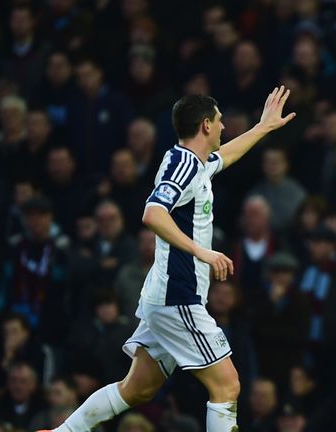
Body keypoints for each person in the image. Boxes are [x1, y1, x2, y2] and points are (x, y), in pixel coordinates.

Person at [45, 87, 295, 432]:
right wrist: (200, 250)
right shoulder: (182, 165)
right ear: (206, 125)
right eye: (220, 121)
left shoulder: (193, 162)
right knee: (227, 385)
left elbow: (227, 156)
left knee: (138, 389)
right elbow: (152, 214)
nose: (224, 128)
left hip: (165, 295)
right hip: (178, 297)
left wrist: (263, 127)